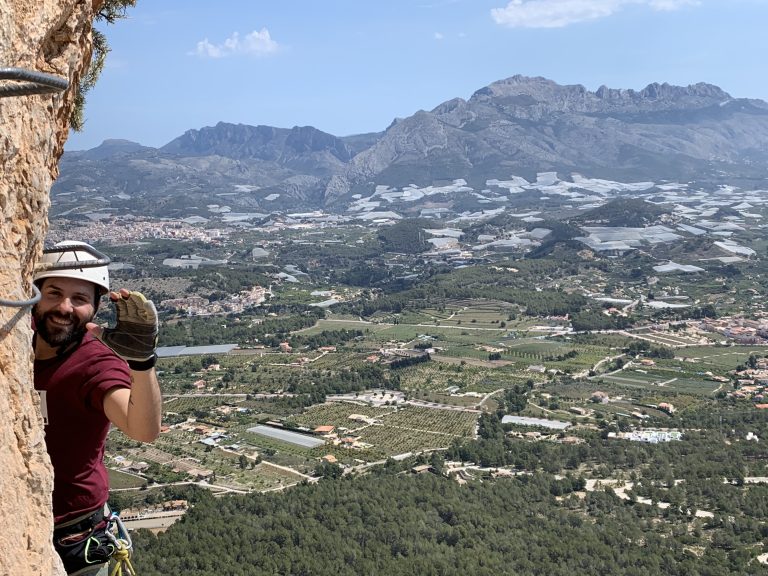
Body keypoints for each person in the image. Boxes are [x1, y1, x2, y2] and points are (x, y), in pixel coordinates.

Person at [32, 241, 162, 576]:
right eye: (53, 293)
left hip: (73, 534)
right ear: (33, 295)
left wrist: (142, 363)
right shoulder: (15, 342)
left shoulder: (95, 363)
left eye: (79, 299)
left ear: (94, 308)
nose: (64, 307)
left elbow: (142, 429)